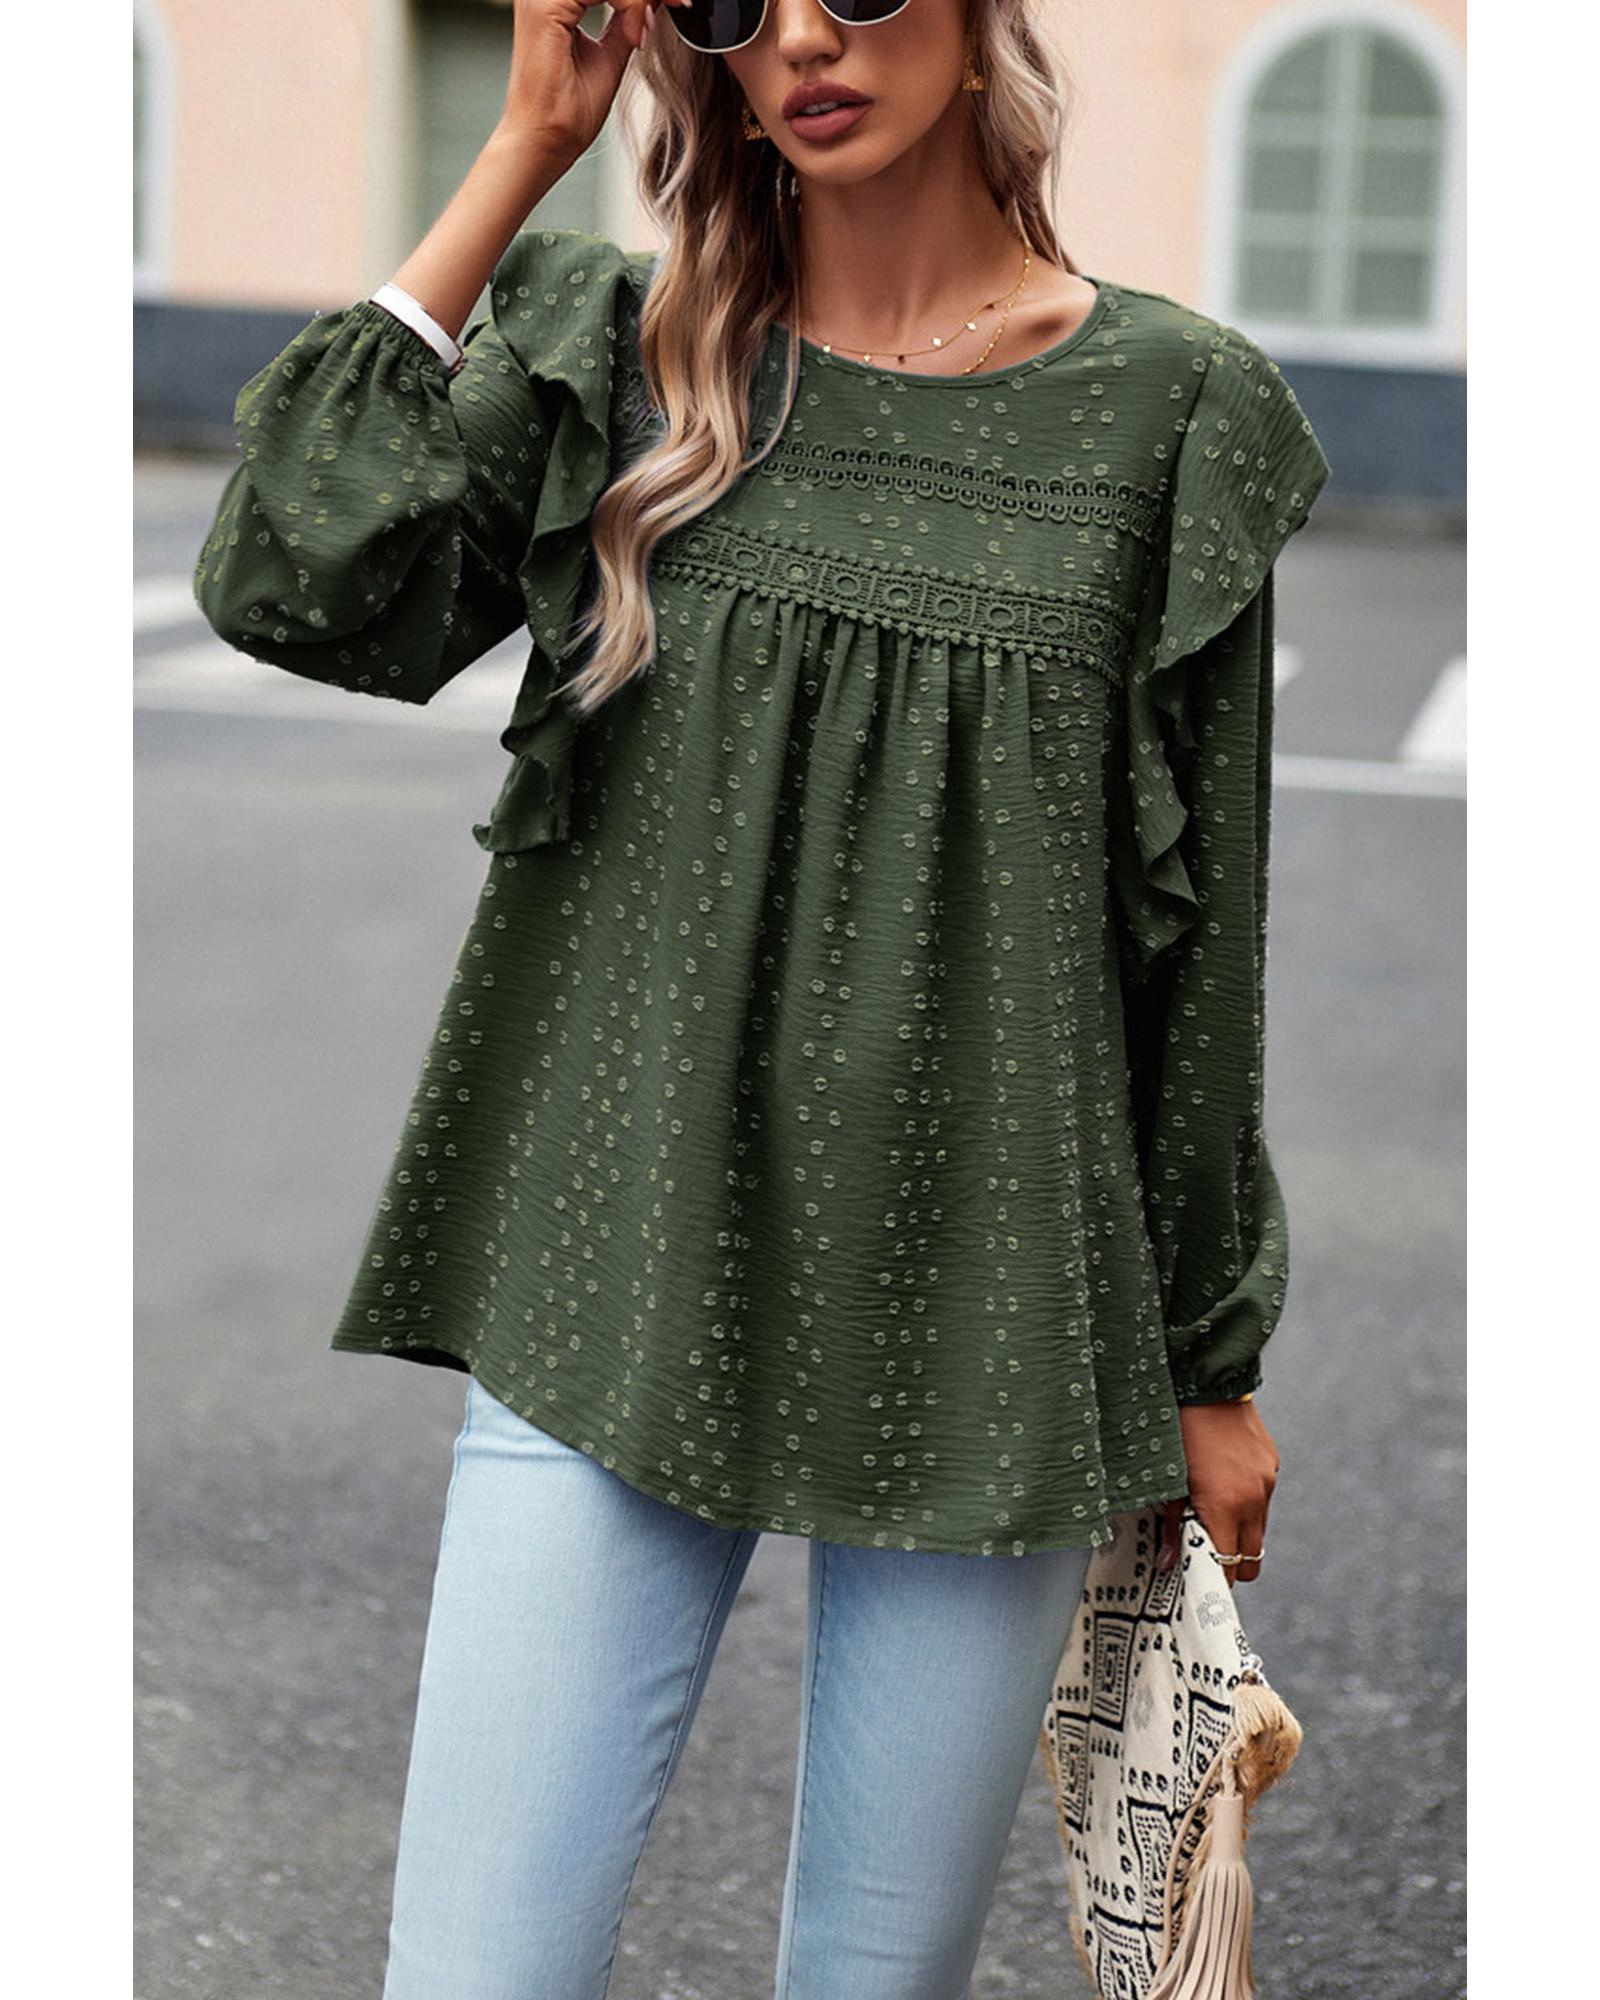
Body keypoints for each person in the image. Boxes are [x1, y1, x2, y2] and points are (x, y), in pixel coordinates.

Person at [192, 3, 1331, 1995]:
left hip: (993, 1308)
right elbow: (294, 575)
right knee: (475, 1969)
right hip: (613, 1266)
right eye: (730, 2)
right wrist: (518, 153)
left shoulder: (1170, 412)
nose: (800, 34)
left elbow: (1197, 937)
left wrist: (1209, 1361)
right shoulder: (618, 353)